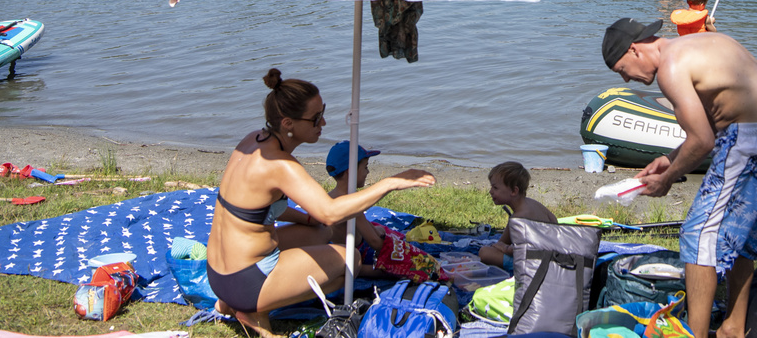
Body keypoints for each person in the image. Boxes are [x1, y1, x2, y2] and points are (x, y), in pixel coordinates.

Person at [207, 69, 434, 338]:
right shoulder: (280, 165)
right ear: (288, 123)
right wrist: (390, 183)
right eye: (315, 118)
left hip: (219, 272)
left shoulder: (253, 140)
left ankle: (236, 304)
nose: (323, 122)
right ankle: (252, 309)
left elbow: (257, 209)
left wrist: (306, 219)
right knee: (350, 260)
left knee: (321, 232)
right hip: (246, 280)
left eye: (322, 112)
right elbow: (330, 213)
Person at [601, 19, 757, 338]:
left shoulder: (670, 69)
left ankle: (696, 334)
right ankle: (732, 328)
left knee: (697, 235)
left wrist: (667, 179)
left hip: (748, 139)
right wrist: (669, 159)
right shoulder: (689, 46)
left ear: (634, 50)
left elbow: (702, 141)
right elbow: (714, 121)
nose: (626, 78)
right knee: (741, 237)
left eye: (622, 70)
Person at [321, 142, 387, 278]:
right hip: (353, 254)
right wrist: (392, 248)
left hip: (334, 249)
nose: (368, 172)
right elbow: (375, 242)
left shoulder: (329, 197)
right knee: (389, 270)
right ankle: (357, 270)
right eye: (365, 167)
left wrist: (378, 232)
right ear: (350, 171)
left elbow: (367, 227)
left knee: (380, 230)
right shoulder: (351, 203)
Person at [478, 162, 557, 269]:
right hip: (552, 255)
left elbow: (519, 250)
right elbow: (553, 219)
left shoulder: (518, 218)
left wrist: (505, 248)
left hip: (534, 264)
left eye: (495, 188)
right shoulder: (534, 204)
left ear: (514, 191)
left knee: (484, 252)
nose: (490, 191)